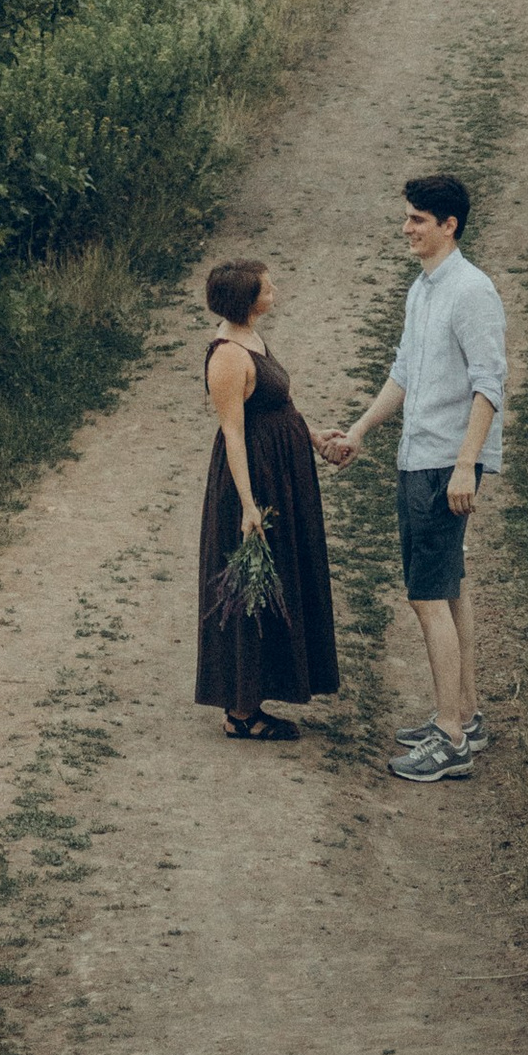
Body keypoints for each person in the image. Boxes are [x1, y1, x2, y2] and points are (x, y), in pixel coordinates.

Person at [322, 175, 505, 782]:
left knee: (426, 596)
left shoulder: (472, 292)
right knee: (449, 588)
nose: (406, 228)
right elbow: (404, 372)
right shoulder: (423, 290)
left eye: (417, 219)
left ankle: (450, 738)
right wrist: (361, 429)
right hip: (416, 456)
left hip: (443, 466)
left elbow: (489, 385)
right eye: (406, 217)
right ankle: (468, 715)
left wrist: (464, 466)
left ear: (449, 225)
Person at [193, 256, 339, 740]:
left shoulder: (250, 337)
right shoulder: (228, 357)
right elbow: (233, 433)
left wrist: (313, 436)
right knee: (249, 594)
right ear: (246, 300)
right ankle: (241, 712)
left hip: (281, 473)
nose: (273, 290)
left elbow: (279, 405)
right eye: (266, 287)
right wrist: (249, 505)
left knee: (281, 582)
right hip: (254, 482)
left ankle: (256, 695)